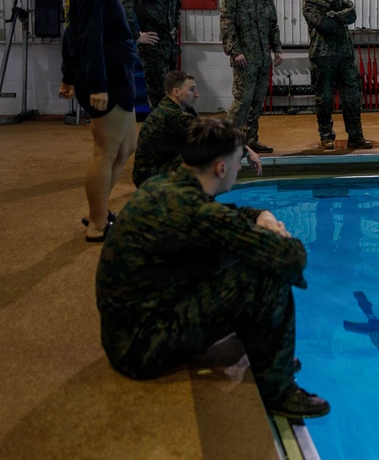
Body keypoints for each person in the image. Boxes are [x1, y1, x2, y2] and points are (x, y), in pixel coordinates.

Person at [96, 117, 329, 419]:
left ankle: (264, 349)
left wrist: (262, 216)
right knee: (265, 276)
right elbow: (292, 258)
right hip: (141, 349)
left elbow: (226, 220)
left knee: (237, 252)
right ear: (221, 168)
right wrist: (278, 236)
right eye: (238, 161)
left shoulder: (164, 184)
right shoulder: (198, 212)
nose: (239, 168)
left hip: (124, 333)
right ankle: (279, 390)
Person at [59, 0, 138, 242]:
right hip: (107, 77)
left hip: (116, 73)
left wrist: (69, 76)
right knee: (105, 151)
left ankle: (99, 210)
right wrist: (96, 84)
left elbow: (72, 30)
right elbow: (86, 35)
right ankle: (96, 224)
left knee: (126, 147)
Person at [132, 70, 262, 186]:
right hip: (149, 178)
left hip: (161, 166)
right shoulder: (173, 114)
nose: (197, 94)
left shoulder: (181, 108)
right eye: (191, 89)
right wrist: (245, 150)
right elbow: (212, 136)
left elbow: (207, 128)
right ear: (176, 92)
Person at [300, 0, 373, 150]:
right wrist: (338, 18)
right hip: (322, 57)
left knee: (352, 98)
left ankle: (355, 136)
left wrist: (332, 15)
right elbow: (323, 24)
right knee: (324, 100)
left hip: (345, 57)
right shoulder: (310, 1)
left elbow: (352, 15)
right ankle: (326, 136)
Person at [221, 0, 283, 153]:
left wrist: (277, 49)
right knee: (242, 102)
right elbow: (227, 24)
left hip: (263, 58)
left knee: (257, 102)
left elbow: (273, 24)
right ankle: (228, 144)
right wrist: (235, 51)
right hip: (244, 58)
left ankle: (250, 140)